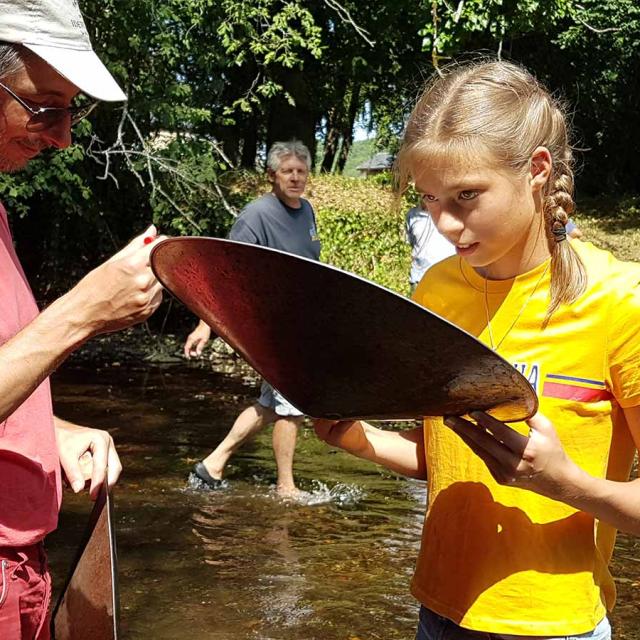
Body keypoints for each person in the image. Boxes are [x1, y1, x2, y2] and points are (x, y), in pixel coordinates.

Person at [314, 59, 640, 640]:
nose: (443, 222)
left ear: (537, 171)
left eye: (466, 196)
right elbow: (450, 460)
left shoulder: (619, 302)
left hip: (554, 626)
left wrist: (566, 483)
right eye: (429, 198)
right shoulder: (436, 290)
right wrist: (351, 436)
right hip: (437, 612)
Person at [0, 2, 164, 637]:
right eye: (44, 106)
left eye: (72, 110)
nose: (63, 135)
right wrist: (82, 312)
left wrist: (50, 431)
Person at [184, 140, 321, 498]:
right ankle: (286, 487)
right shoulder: (256, 214)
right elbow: (225, 270)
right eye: (287, 171)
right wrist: (206, 325)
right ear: (272, 175)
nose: (295, 178)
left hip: (299, 325)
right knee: (291, 405)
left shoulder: (306, 211)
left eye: (301, 171)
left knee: (269, 405)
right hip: (269, 328)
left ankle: (212, 464)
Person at [405, 200, 455, 293]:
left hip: (447, 279)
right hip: (419, 279)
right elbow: (412, 242)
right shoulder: (412, 215)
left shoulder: (451, 214)